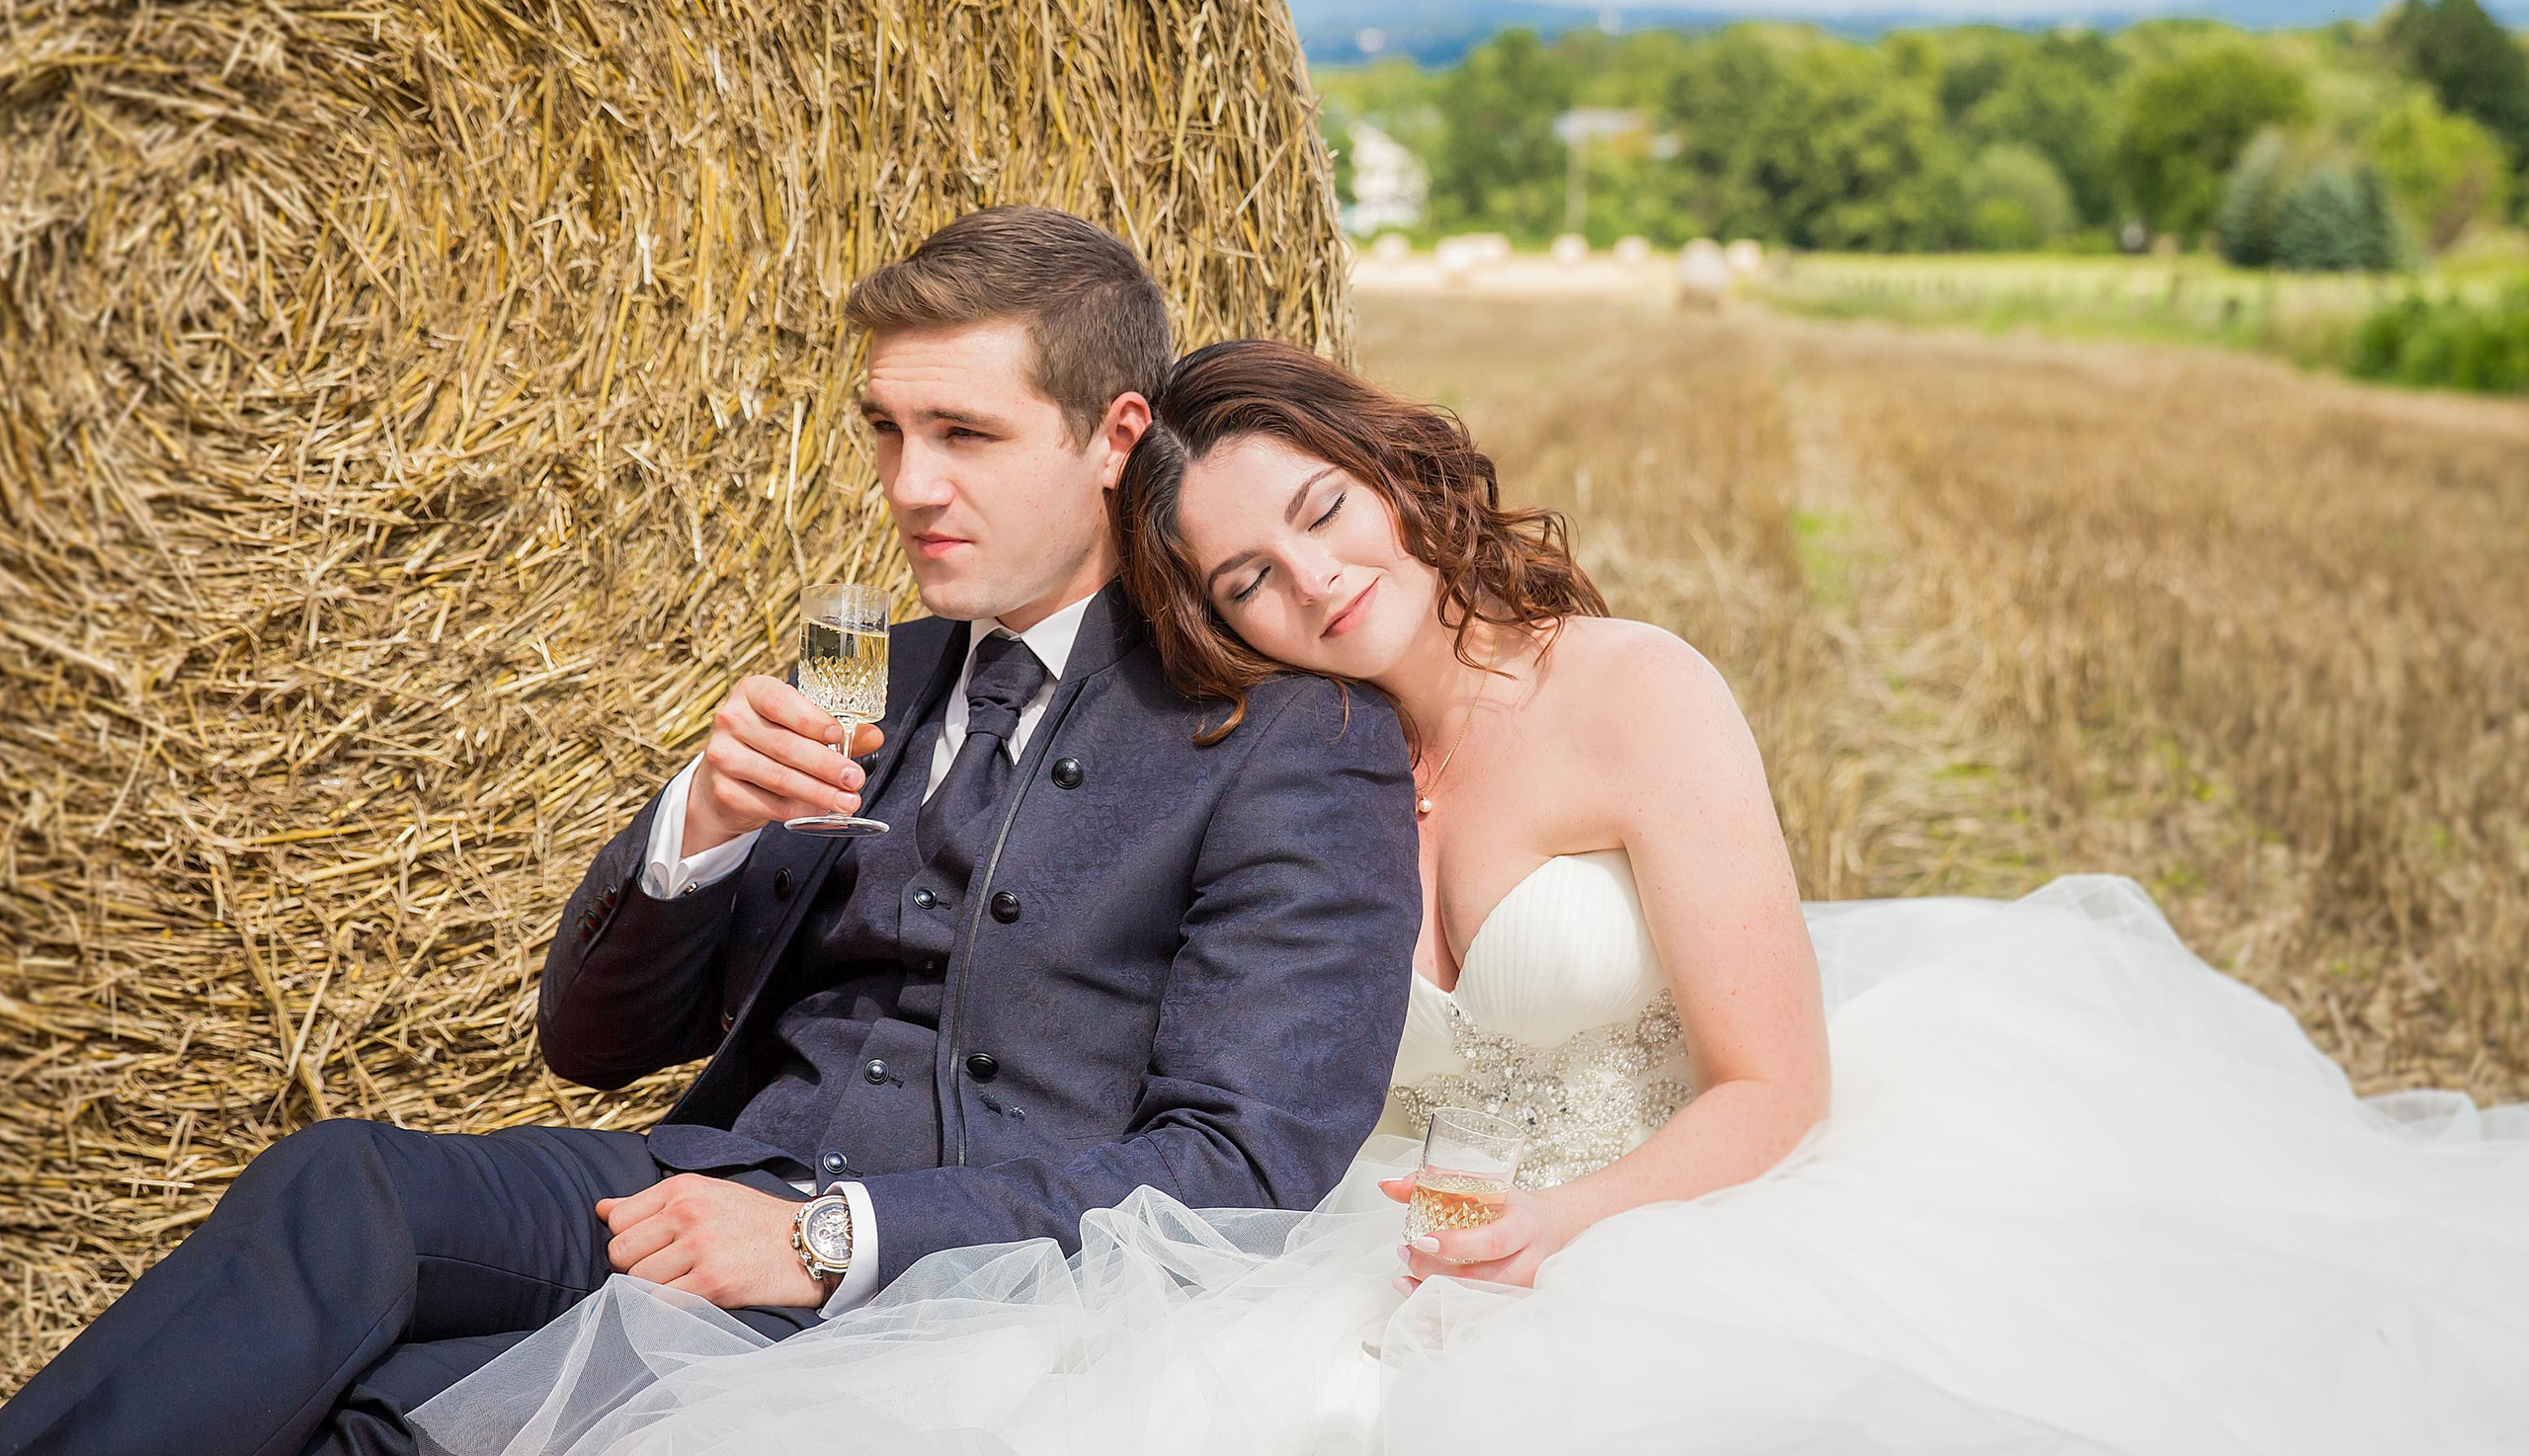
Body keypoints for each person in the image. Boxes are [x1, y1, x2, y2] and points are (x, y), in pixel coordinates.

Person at [412, 338, 2529, 1456]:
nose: (1303, 577)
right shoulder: (1266, 773)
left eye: (1318, 514)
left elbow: (1763, 1086)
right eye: (1242, 575)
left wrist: (1564, 1234)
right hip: (1350, 1227)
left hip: (1661, 1203)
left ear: (1398, 474)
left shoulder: (1631, 695)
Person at [0, 219, 1424, 1456]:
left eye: (965, 435)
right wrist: (701, 826)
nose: (909, 486)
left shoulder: (1283, 736)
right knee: (345, 1180)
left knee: (387, 1416)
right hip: (697, 1180)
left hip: (953, 1290)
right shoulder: (865, 664)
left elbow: (1241, 1167)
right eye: (887, 428)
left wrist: (829, 1239)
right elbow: (595, 1042)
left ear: (1114, 435)